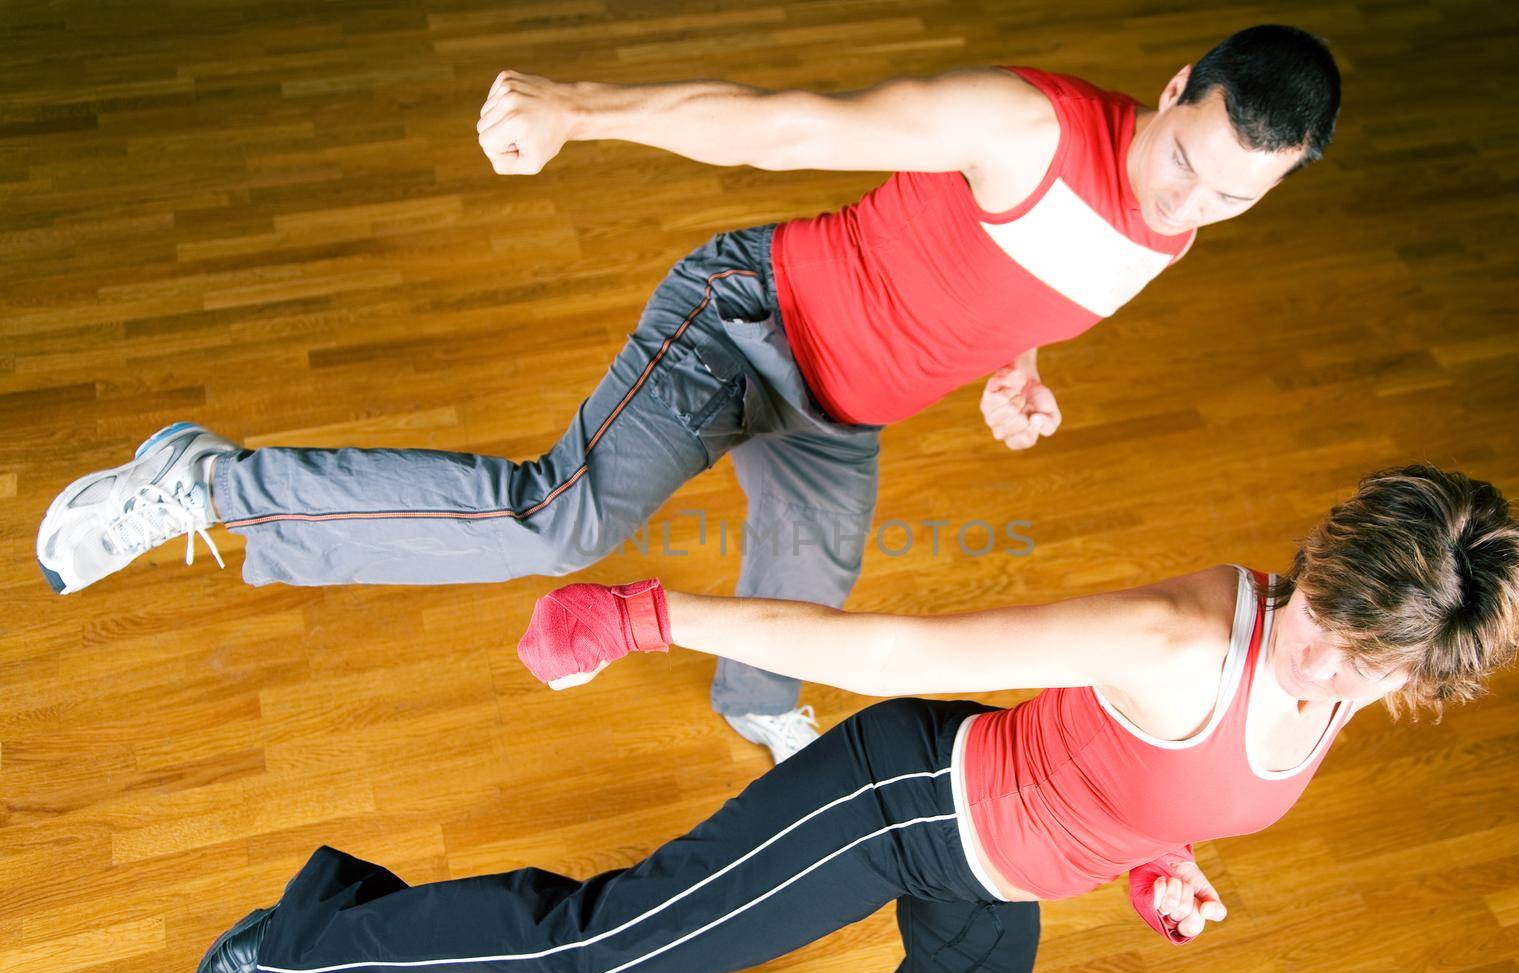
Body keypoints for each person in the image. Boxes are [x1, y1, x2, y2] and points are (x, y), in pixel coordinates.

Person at [36, 26, 1342, 763]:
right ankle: (211, 483)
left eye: (1233, 195)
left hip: (845, 407)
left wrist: (1017, 369)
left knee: (801, 596)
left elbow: (1052, 271)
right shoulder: (1021, 125)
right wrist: (576, 106)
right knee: (555, 524)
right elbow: (788, 125)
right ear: (1175, 88)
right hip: (746, 323)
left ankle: (754, 702)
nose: (1191, 200)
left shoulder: (1182, 221)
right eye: (1186, 161)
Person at [190, 465, 1519, 973]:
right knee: (601, 950)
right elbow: (892, 644)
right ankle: (305, 938)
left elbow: (1168, 777)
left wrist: (1157, 863)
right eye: (1323, 631)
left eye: (1368, 670)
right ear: (1317, 561)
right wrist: (643, 614)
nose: (1324, 673)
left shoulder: (1372, 666)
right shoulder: (1176, 634)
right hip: (904, 805)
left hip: (1006, 862)